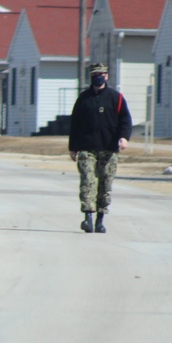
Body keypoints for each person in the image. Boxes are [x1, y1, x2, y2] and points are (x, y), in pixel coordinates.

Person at [69, 62, 132, 234]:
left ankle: (100, 220)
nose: (99, 77)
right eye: (95, 75)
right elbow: (74, 124)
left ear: (107, 76)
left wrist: (124, 138)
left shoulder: (116, 98)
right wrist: (73, 147)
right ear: (91, 77)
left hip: (109, 148)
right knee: (88, 181)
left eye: (102, 74)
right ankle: (88, 218)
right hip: (86, 148)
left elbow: (125, 121)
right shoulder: (83, 99)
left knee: (105, 183)